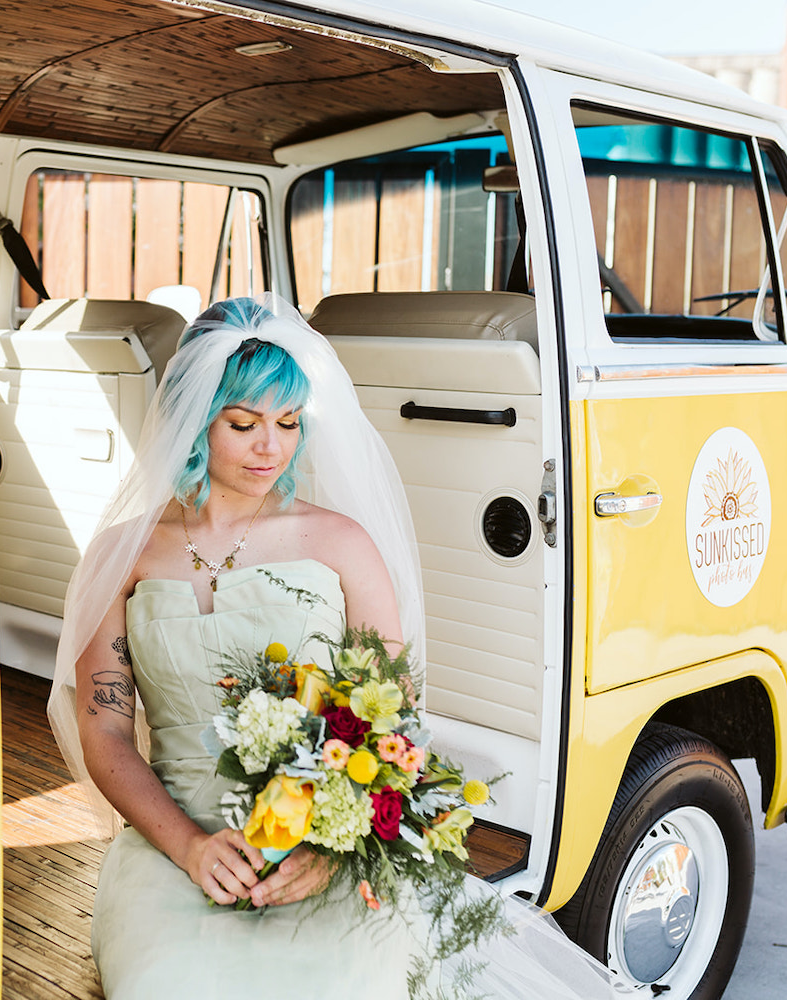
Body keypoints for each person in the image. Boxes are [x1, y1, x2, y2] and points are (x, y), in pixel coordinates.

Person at [47, 294, 625, 999]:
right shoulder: (123, 554)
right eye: (244, 423)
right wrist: (189, 847)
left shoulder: (340, 545)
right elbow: (104, 732)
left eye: (289, 423)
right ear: (194, 422)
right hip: (174, 841)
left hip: (328, 840)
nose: (273, 446)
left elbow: (393, 724)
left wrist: (330, 849)